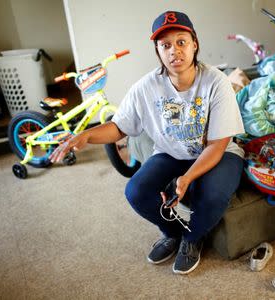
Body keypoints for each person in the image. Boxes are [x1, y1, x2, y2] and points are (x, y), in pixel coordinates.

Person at [49, 10, 245, 275]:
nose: (174, 50)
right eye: (165, 45)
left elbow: (218, 145)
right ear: (157, 51)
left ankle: (192, 238)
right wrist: (86, 134)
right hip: (172, 153)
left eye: (181, 42)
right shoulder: (146, 87)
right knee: (136, 191)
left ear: (194, 44)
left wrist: (186, 179)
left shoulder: (216, 82)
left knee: (212, 195)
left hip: (218, 154)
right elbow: (120, 127)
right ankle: (174, 233)